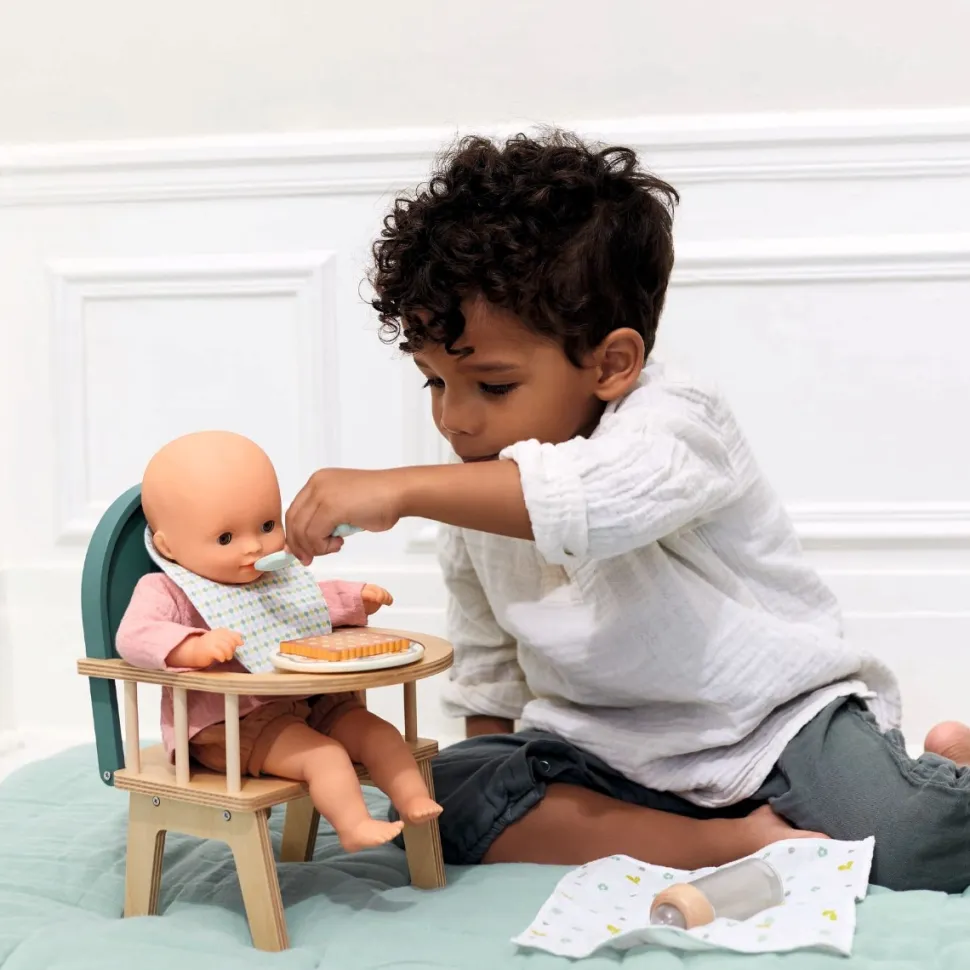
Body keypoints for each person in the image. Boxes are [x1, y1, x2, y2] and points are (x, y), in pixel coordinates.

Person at [283, 131, 970, 890]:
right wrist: (493, 761)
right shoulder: (473, 491)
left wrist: (400, 489)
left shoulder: (676, 422)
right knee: (440, 796)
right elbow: (489, 656)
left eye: (494, 386)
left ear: (612, 363)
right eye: (434, 382)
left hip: (772, 728)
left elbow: (592, 502)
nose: (455, 419)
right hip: (602, 751)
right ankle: (722, 842)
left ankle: (943, 774)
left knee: (920, 848)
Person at [117, 430, 441, 853]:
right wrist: (190, 646)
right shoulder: (168, 590)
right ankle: (355, 825)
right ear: (169, 547)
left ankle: (412, 800)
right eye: (226, 538)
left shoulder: (273, 577)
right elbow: (134, 635)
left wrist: (354, 599)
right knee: (324, 756)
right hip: (232, 726)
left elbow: (309, 604)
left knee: (378, 732)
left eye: (267, 525)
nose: (254, 546)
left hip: (306, 700)